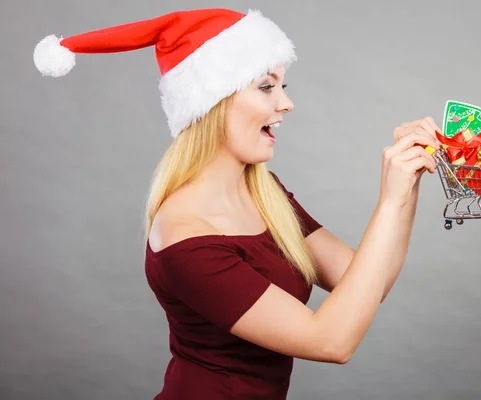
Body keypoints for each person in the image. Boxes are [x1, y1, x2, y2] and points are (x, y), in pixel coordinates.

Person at [33, 7, 442, 399]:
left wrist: (406, 187)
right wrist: (387, 203)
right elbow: (332, 341)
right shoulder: (184, 235)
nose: (286, 103)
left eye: (283, 86)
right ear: (211, 101)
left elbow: (370, 282)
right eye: (266, 86)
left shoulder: (265, 193)